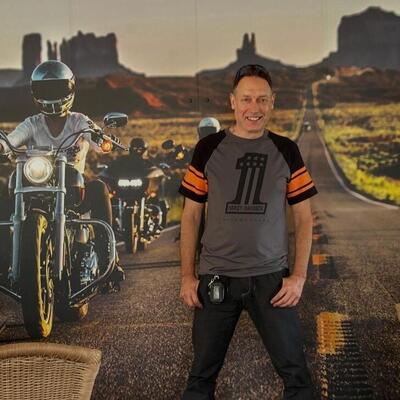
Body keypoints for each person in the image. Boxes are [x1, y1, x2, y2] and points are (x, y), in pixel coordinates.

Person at [179, 64, 316, 399]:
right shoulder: (208, 149)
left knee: (297, 377)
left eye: (262, 100)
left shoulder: (286, 150)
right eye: (246, 99)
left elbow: (304, 218)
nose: (254, 108)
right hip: (216, 279)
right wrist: (187, 276)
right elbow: (191, 216)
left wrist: (298, 277)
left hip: (271, 281)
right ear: (232, 102)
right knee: (200, 379)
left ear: (272, 102)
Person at [0, 60, 124, 287]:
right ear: (35, 93)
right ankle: (3, 261)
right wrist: (2, 145)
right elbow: (12, 139)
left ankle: (108, 258)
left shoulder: (79, 121)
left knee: (99, 188)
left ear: (69, 90)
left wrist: (103, 140)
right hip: (36, 186)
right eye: (46, 90)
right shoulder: (32, 124)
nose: (51, 95)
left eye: (57, 89)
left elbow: (95, 136)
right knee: (6, 189)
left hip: (73, 190)